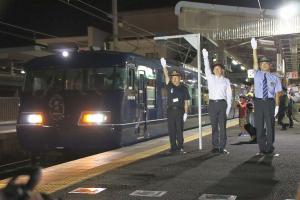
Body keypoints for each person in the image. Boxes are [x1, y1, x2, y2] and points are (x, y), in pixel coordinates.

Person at [251, 38, 282, 155]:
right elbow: (254, 62)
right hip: (258, 102)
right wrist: (254, 49)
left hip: (270, 102)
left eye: (266, 63)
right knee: (259, 125)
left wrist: (277, 106)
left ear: (270, 65)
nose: (264, 65)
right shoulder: (257, 74)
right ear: (259, 65)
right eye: (261, 63)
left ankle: (270, 146)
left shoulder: (275, 78)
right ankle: (262, 147)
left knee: (270, 125)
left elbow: (277, 94)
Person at [202, 49, 232, 154]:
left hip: (222, 104)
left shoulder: (226, 81)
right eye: (215, 68)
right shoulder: (210, 78)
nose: (216, 70)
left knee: (222, 127)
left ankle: (222, 147)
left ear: (222, 70)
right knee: (214, 126)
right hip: (212, 104)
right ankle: (215, 146)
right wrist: (205, 57)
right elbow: (206, 68)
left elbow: (229, 96)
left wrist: (228, 109)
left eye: (218, 68)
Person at [160, 58, 190, 154]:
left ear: (179, 78)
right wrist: (164, 66)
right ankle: (173, 148)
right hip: (170, 111)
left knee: (179, 131)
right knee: (172, 130)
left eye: (176, 77)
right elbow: (166, 75)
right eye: (173, 77)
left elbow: (186, 102)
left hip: (180, 111)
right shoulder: (170, 86)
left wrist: (185, 113)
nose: (174, 79)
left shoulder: (184, 88)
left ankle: (180, 147)